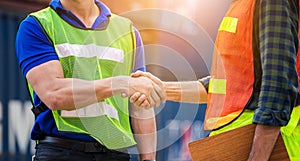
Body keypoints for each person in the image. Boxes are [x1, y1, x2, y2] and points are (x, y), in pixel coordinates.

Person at [130, 0, 300, 160]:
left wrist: (258, 156)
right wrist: (162, 89)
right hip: (239, 139)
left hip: (271, 142)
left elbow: (278, 82)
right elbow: (229, 85)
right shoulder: (244, 5)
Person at [15, 0, 165, 161]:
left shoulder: (127, 32)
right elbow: (55, 93)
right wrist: (121, 83)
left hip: (116, 154)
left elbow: (140, 102)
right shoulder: (38, 25)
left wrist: (148, 159)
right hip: (62, 151)